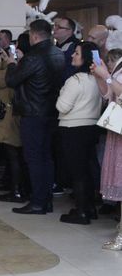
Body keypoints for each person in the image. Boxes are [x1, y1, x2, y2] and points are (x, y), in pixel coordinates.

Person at [6, 19, 65, 214]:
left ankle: (38, 201)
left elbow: (12, 80)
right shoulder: (58, 53)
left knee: (34, 158)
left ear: (34, 35)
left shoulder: (33, 56)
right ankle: (46, 200)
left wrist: (12, 64)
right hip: (52, 110)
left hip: (33, 111)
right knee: (46, 157)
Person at [56, 41, 102, 225]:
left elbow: (62, 106)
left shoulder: (74, 80)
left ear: (85, 58)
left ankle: (81, 212)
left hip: (73, 128)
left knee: (77, 172)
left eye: (76, 53)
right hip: (91, 127)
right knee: (87, 170)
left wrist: (61, 92)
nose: (72, 56)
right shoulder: (96, 79)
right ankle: (89, 208)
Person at [0, 37, 27, 203]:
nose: (14, 52)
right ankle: (15, 187)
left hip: (12, 114)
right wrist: (5, 62)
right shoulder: (18, 66)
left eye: (16, 49)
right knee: (13, 154)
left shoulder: (18, 68)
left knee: (13, 154)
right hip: (14, 113)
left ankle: (17, 191)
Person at [91, 49, 122, 248]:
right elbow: (108, 95)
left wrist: (107, 77)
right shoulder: (119, 67)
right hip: (117, 128)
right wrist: (100, 77)